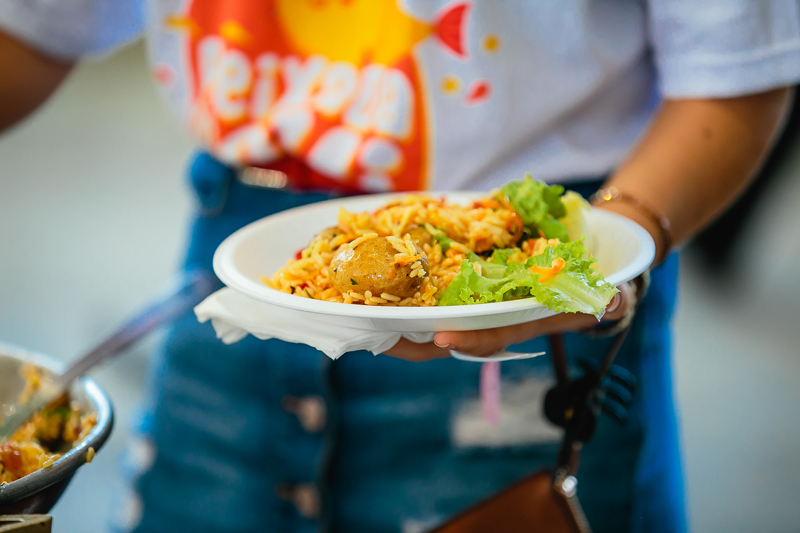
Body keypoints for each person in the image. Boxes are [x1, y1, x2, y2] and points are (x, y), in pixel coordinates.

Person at [1, 2, 797, 532]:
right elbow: (34, 34)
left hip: (535, 303)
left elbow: (737, 71)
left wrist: (612, 241)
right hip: (239, 292)